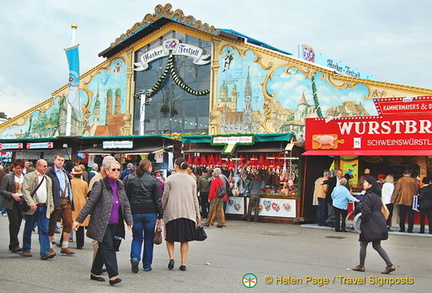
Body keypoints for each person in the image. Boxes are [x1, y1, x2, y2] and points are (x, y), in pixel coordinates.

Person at [73, 160, 133, 286]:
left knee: (103, 247)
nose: (116, 172)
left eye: (118, 170)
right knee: (108, 247)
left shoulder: (121, 184)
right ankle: (113, 275)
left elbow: (125, 204)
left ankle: (95, 272)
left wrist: (129, 220)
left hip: (115, 223)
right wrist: (79, 220)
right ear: (106, 171)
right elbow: (90, 203)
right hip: (101, 222)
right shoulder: (100, 184)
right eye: (113, 170)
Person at [162, 157, 201, 271]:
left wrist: (162, 207)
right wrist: (197, 215)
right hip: (188, 213)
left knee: (170, 238)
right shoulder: (191, 180)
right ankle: (183, 263)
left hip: (172, 212)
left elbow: (165, 196)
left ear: (176, 166)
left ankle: (171, 258)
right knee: (185, 240)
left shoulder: (170, 179)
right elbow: (195, 199)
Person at [352, 176, 396, 274]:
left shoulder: (368, 196)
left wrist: (362, 219)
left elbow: (366, 210)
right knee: (376, 245)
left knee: (363, 243)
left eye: (365, 182)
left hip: (369, 222)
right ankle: (389, 265)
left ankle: (361, 265)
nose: (364, 184)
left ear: (370, 185)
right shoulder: (377, 196)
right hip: (378, 220)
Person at [126, 159, 163, 273]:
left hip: (135, 211)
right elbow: (157, 199)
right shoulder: (154, 181)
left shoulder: (131, 180)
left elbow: (127, 197)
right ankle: (147, 265)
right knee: (148, 239)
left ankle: (135, 257)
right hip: (150, 211)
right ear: (149, 168)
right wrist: (160, 215)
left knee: (137, 237)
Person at [21, 159, 56, 260]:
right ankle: (26, 248)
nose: (46, 168)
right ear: (38, 166)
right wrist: (31, 202)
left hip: (44, 207)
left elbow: (50, 194)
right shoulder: (29, 177)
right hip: (33, 207)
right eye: (44, 166)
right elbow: (25, 191)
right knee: (29, 228)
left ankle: (45, 252)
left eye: (47, 166)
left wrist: (51, 206)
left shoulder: (48, 179)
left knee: (44, 229)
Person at [46, 154, 75, 255]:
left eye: (62, 160)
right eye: (58, 160)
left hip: (66, 200)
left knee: (69, 222)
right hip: (55, 200)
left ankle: (65, 246)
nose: (60, 162)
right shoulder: (50, 173)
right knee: (52, 224)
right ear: (54, 160)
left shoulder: (65, 173)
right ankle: (49, 247)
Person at [0, 159, 25, 252]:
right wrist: (12, 195)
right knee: (14, 223)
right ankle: (15, 244)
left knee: (18, 223)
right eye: (18, 168)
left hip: (21, 202)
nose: (19, 170)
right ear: (14, 168)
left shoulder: (25, 177)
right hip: (11, 202)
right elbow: (2, 190)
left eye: (21, 168)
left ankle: (12, 243)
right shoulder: (8, 177)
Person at [70, 166, 89, 249]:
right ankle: (80, 244)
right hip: (82, 203)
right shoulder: (84, 183)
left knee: (68, 222)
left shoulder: (70, 182)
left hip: (72, 203)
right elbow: (86, 194)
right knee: (80, 223)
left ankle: (63, 240)